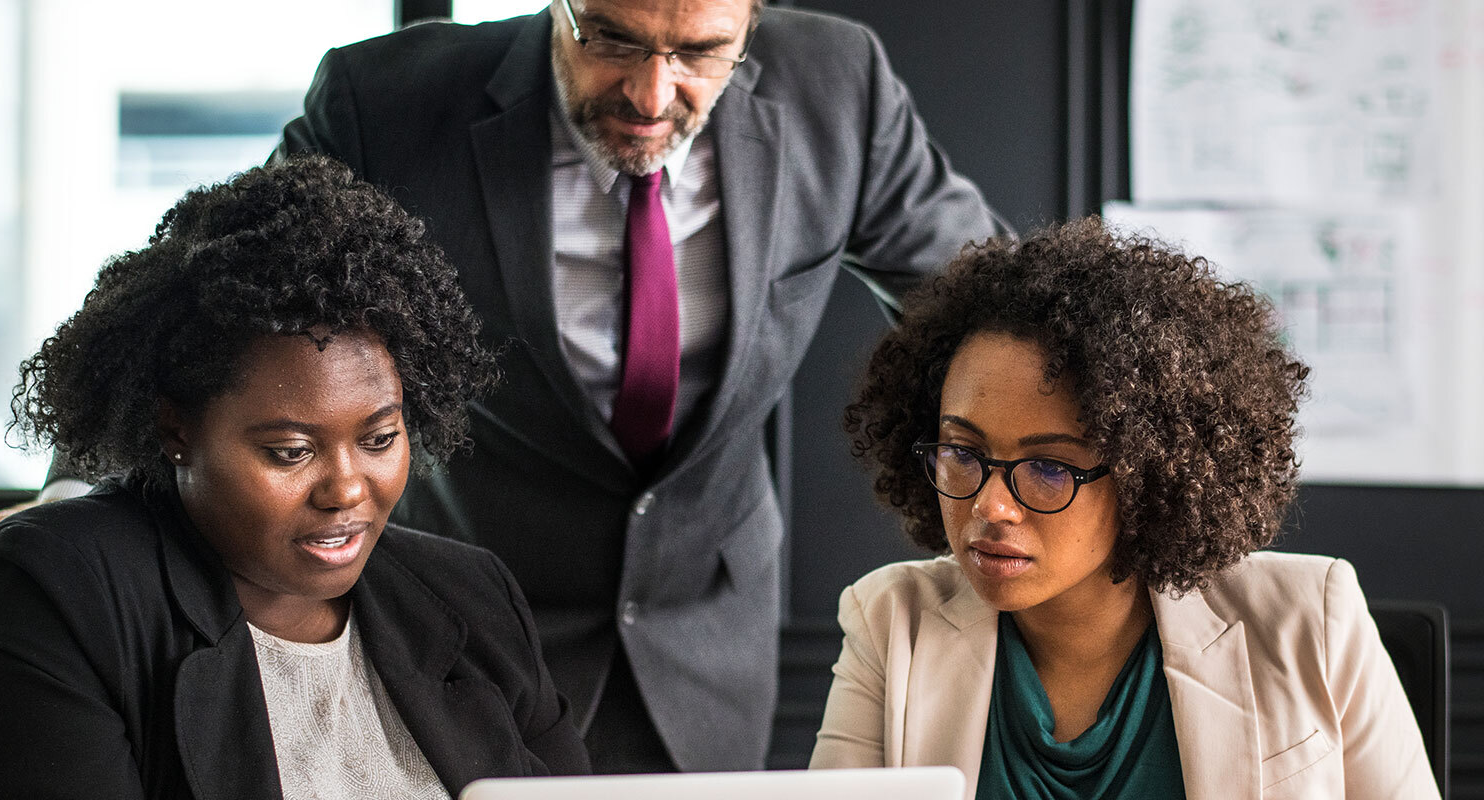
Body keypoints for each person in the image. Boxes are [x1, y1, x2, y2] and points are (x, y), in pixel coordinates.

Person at [267, 0, 1004, 773]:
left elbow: (996, 305)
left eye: (701, 52)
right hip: (462, 621)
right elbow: (231, 316)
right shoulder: (383, 100)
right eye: (613, 40)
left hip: (706, 629)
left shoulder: (838, 83)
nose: (652, 96)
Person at [0, 156, 590, 800]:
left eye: (380, 439)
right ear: (176, 430)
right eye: (290, 452)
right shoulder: (58, 593)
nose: (347, 490)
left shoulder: (471, 598)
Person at [809, 218, 1439, 798]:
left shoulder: (1312, 622)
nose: (991, 505)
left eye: (1050, 468)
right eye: (963, 452)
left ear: (1148, 473)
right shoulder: (892, 624)